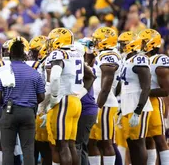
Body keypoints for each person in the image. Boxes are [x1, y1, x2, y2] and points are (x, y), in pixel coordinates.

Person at [0, 37, 46, 165]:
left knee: (8, 150)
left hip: (9, 111)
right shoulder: (34, 73)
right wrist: (31, 103)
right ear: (24, 55)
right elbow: (42, 96)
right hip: (28, 112)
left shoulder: (3, 70)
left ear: (10, 55)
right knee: (28, 149)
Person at [45, 28, 94, 165]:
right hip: (75, 101)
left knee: (62, 145)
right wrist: (80, 94)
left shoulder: (59, 53)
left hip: (64, 100)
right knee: (71, 144)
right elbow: (90, 76)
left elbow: (54, 77)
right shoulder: (76, 54)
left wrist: (54, 97)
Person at [117, 31, 152, 165]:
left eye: (123, 44)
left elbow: (146, 87)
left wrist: (138, 111)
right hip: (127, 105)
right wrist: (121, 108)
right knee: (131, 142)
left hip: (138, 107)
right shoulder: (127, 59)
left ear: (131, 44)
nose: (120, 47)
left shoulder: (139, 59)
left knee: (139, 142)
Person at [87, 28, 121, 165]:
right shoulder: (102, 54)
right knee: (92, 142)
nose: (95, 42)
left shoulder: (109, 56)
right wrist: (89, 54)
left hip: (104, 104)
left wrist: (98, 108)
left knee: (106, 142)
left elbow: (106, 87)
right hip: (99, 102)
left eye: (97, 40)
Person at [138, 29, 169, 165]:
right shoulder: (141, 59)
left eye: (143, 41)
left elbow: (166, 90)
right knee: (147, 139)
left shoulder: (159, 60)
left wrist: (144, 91)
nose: (140, 44)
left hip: (154, 102)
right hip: (142, 102)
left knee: (159, 139)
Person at [27, 36, 52, 165]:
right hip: (40, 108)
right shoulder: (42, 63)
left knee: (44, 147)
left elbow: (48, 87)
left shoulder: (48, 62)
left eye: (34, 51)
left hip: (44, 108)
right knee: (39, 146)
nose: (31, 54)